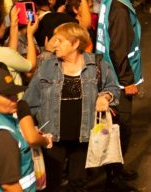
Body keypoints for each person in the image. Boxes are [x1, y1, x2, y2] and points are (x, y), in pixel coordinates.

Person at [24, 23, 120, 192]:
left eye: (60, 41)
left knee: (78, 184)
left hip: (82, 138)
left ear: (75, 44)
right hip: (52, 139)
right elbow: (29, 100)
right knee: (51, 185)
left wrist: (105, 96)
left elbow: (112, 87)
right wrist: (32, 128)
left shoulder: (96, 64)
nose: (54, 45)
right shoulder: (47, 66)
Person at [96, 0, 142, 190]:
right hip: (116, 79)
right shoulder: (120, 11)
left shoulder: (108, 1)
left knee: (114, 126)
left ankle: (116, 170)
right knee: (121, 128)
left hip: (106, 73)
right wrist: (128, 82)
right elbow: (119, 50)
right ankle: (114, 177)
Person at [0, 66, 36, 191]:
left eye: (14, 93)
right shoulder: (2, 135)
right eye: (7, 95)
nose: (15, 98)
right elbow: (9, 185)